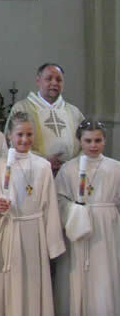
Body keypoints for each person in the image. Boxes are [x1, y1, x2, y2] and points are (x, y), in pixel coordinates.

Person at [0, 112, 65, 316]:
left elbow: (50, 206)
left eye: (29, 134)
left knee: (33, 284)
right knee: (7, 285)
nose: (24, 139)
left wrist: (53, 244)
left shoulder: (43, 166)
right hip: (7, 231)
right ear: (9, 135)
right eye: (19, 134)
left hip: (34, 234)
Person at [54, 119, 120, 316]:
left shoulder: (115, 168)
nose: (93, 145)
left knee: (104, 277)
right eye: (88, 140)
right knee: (78, 276)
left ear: (105, 140)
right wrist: (75, 210)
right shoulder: (68, 169)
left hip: (107, 230)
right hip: (78, 229)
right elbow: (58, 200)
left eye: (98, 140)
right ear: (79, 141)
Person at [6, 63, 84, 175]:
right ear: (38, 81)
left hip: (70, 173)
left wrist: (73, 164)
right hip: (33, 172)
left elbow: (87, 142)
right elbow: (11, 142)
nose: (54, 83)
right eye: (49, 79)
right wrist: (43, 162)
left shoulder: (74, 112)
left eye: (59, 80)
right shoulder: (22, 108)